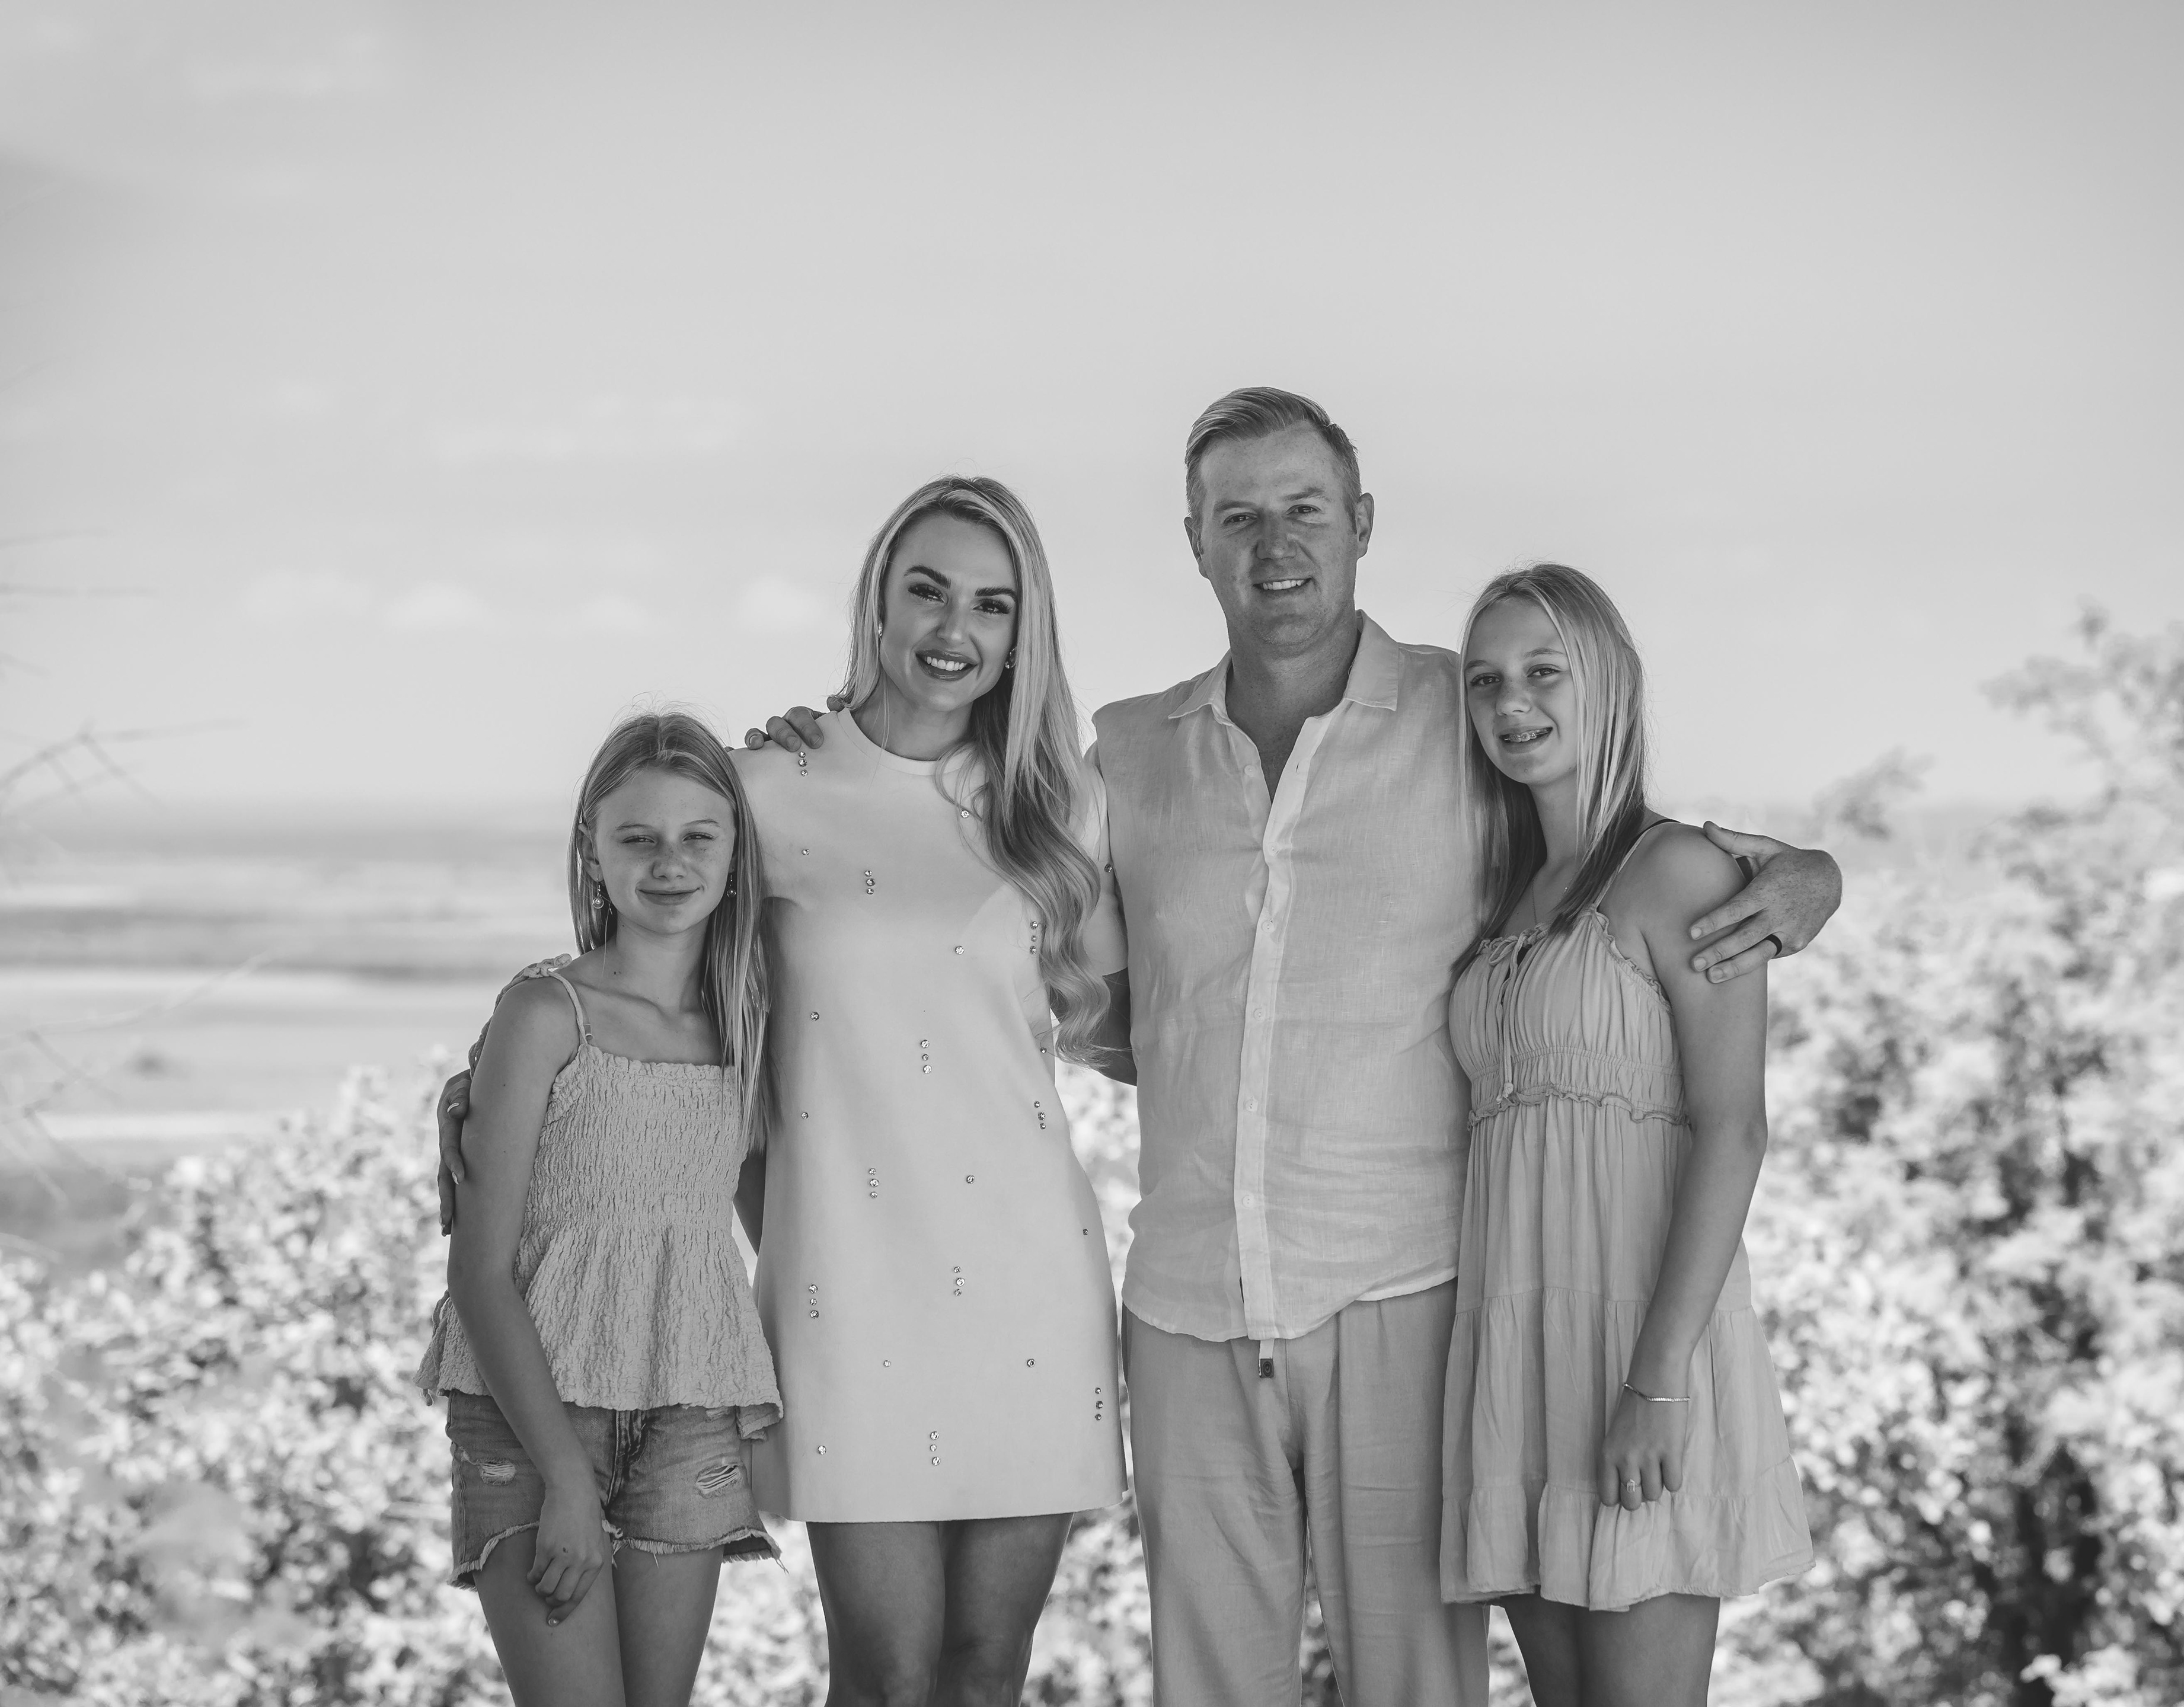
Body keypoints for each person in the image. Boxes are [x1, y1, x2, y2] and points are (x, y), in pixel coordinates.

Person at [756, 387, 1843, 1707]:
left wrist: (1805, 871)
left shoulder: (1463, 714)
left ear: (1362, 522)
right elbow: (1069, 984)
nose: (1274, 546)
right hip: (1187, 1307)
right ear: (1195, 542)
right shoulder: (1126, 754)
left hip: (1407, 1296)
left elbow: (1607, 843)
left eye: (1305, 511)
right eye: (1238, 518)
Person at [440, 477, 1131, 1707]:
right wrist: (493, 1092)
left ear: (1026, 631)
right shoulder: (768, 787)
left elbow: (1134, 1027)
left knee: (985, 1676)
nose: (954, 629)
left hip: (1032, 1281)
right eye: (926, 590)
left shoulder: (1061, 803)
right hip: (845, 1286)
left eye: (993, 604)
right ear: (877, 600)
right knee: (887, 1675)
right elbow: (651, 982)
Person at [1441, 565, 1812, 1707]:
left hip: (1641, 1346)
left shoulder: (1679, 872)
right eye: (1485, 680)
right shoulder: (1499, 893)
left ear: (1608, 682)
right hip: (1518, 1349)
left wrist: (1655, 1382)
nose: (1512, 703)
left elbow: (1733, 1131)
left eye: (1543, 671)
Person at [417, 711, 781, 1707]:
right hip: (534, 1418)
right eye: (637, 837)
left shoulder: (750, 1026)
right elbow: (477, 1272)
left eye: (699, 836)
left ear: (737, 855)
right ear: (592, 849)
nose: (670, 863)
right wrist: (567, 1481)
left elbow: (778, 1227)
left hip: (691, 1408)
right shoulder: (545, 1015)